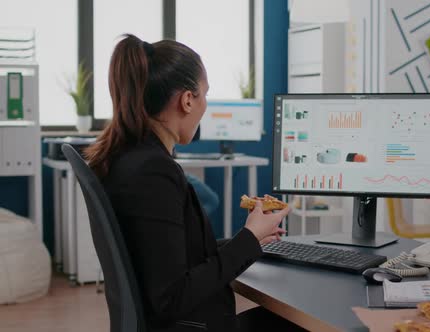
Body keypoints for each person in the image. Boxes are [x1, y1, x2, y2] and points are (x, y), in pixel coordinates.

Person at [85, 34, 302, 331]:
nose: (205, 106)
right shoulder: (153, 173)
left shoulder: (128, 157)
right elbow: (173, 297)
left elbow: (168, 254)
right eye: (204, 94)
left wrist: (251, 238)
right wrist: (249, 239)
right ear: (187, 100)